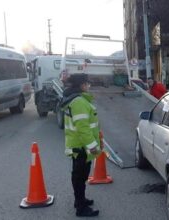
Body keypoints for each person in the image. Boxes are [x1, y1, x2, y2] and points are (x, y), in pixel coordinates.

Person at [61, 73, 101, 217]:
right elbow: (83, 127)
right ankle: (81, 207)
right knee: (79, 176)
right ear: (82, 85)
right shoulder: (78, 102)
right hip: (82, 146)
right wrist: (92, 146)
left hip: (79, 145)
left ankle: (80, 200)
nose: (89, 86)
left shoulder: (76, 99)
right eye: (87, 83)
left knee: (80, 176)